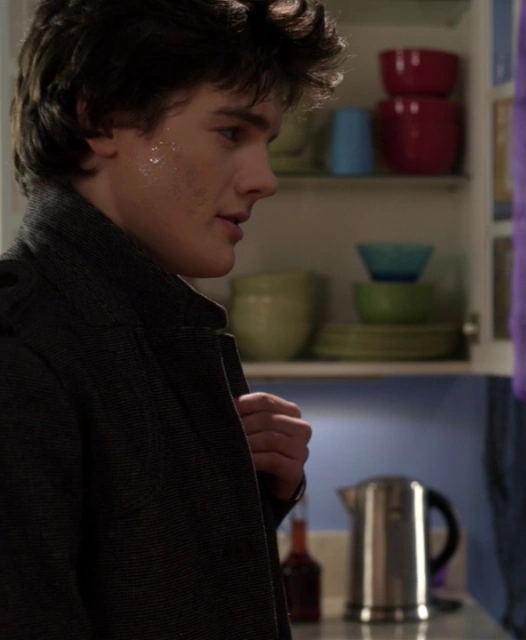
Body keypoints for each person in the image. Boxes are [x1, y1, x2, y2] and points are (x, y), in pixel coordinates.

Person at [0, 1, 344, 638]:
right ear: (103, 118)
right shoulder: (19, 349)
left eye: (267, 142)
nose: (264, 180)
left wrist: (239, 492)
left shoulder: (140, 329)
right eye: (232, 132)